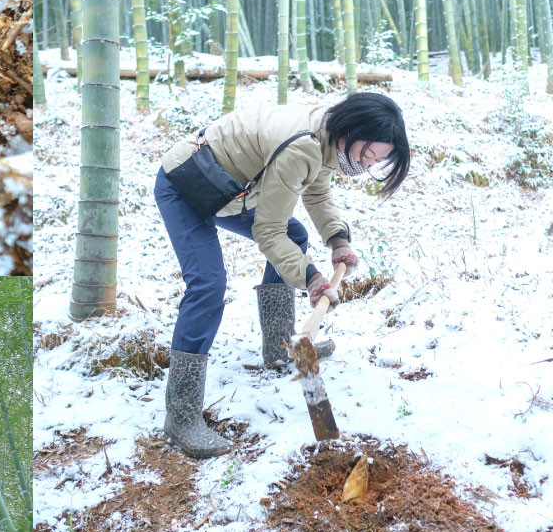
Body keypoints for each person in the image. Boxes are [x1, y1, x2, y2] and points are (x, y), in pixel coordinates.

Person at [153, 92, 411, 458]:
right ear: (352, 131)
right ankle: (180, 417)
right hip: (185, 184)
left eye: (378, 161)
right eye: (369, 154)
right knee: (208, 284)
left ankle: (278, 347)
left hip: (228, 189)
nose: (368, 165)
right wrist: (310, 278)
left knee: (297, 236)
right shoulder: (302, 146)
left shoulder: (327, 137)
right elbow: (268, 230)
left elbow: (316, 191)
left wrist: (338, 239)